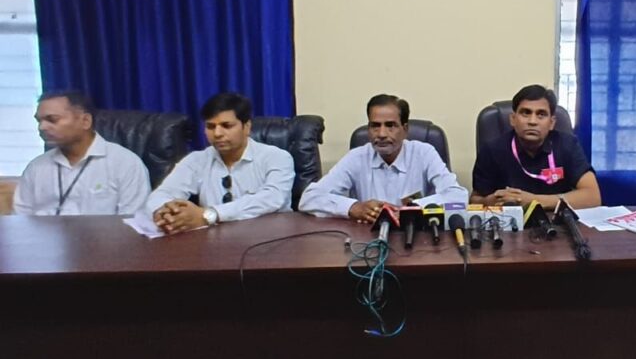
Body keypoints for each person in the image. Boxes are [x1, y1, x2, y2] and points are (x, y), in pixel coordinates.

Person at [299, 94, 468, 222]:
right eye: (375, 126)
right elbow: (309, 198)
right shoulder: (357, 157)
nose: (381, 134)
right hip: (367, 240)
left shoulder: (424, 153)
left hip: (416, 238)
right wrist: (353, 207)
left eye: (390, 125)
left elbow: (458, 196)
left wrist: (411, 209)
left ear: (405, 129)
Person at [146, 92, 294, 234]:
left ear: (247, 127)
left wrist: (210, 215)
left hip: (269, 240)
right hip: (213, 242)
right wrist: (167, 212)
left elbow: (273, 198)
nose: (217, 133)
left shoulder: (276, 157)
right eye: (210, 126)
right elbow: (161, 194)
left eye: (227, 126)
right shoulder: (196, 160)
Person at [14, 90, 150, 215]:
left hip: (104, 235)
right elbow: (22, 219)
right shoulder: (36, 167)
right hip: (45, 234)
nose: (42, 127)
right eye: (39, 121)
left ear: (85, 121)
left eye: (52, 119)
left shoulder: (125, 163)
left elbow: (133, 221)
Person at [471, 84, 601, 210]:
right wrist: (489, 202)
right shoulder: (492, 150)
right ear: (513, 119)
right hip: (511, 220)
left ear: (551, 123)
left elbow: (593, 196)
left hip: (556, 220)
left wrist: (534, 201)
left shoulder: (567, 144)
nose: (532, 121)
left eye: (541, 114)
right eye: (525, 113)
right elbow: (474, 200)